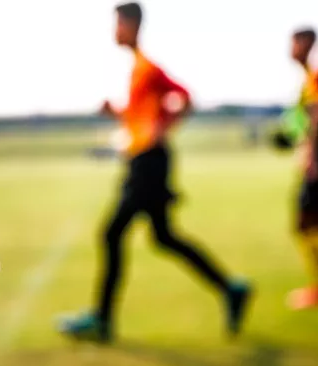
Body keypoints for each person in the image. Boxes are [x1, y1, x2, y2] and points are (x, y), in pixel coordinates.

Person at [57, 2, 252, 343]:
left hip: (149, 163)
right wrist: (117, 112)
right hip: (144, 159)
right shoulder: (136, 70)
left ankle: (102, 320)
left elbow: (185, 98)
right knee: (163, 237)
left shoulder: (148, 68)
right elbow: (139, 120)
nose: (115, 31)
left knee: (113, 233)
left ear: (131, 25)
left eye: (118, 24)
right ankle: (230, 288)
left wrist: (164, 127)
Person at [288, 27, 318, 309]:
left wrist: (312, 155)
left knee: (306, 219)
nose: (290, 49)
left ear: (306, 44)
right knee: (309, 221)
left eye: (294, 43)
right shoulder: (310, 78)